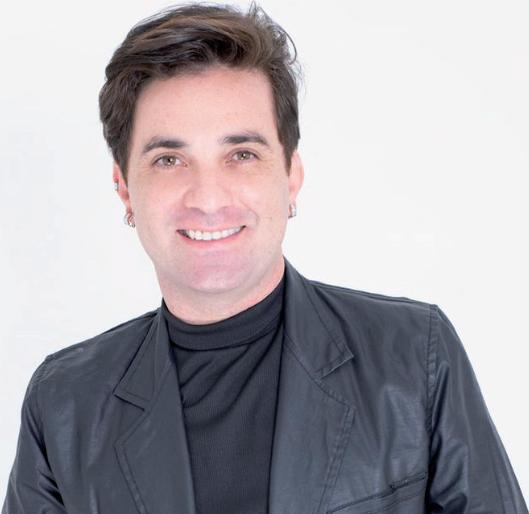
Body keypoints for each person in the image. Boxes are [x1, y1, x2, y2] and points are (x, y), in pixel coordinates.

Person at [2, 2, 527, 513]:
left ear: (291, 176)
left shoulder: (414, 357)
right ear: (124, 190)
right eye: (169, 159)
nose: (208, 198)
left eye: (242, 154)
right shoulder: (63, 403)